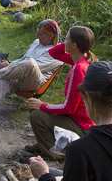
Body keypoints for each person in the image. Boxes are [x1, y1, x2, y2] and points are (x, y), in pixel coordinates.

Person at [25, 26, 97, 158]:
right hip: (80, 121)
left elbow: (69, 108)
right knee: (41, 112)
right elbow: (53, 53)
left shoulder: (78, 69)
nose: (63, 42)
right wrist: (71, 43)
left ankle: (55, 152)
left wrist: (42, 105)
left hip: (82, 127)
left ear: (74, 45)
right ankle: (45, 143)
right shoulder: (82, 59)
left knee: (36, 115)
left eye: (66, 39)